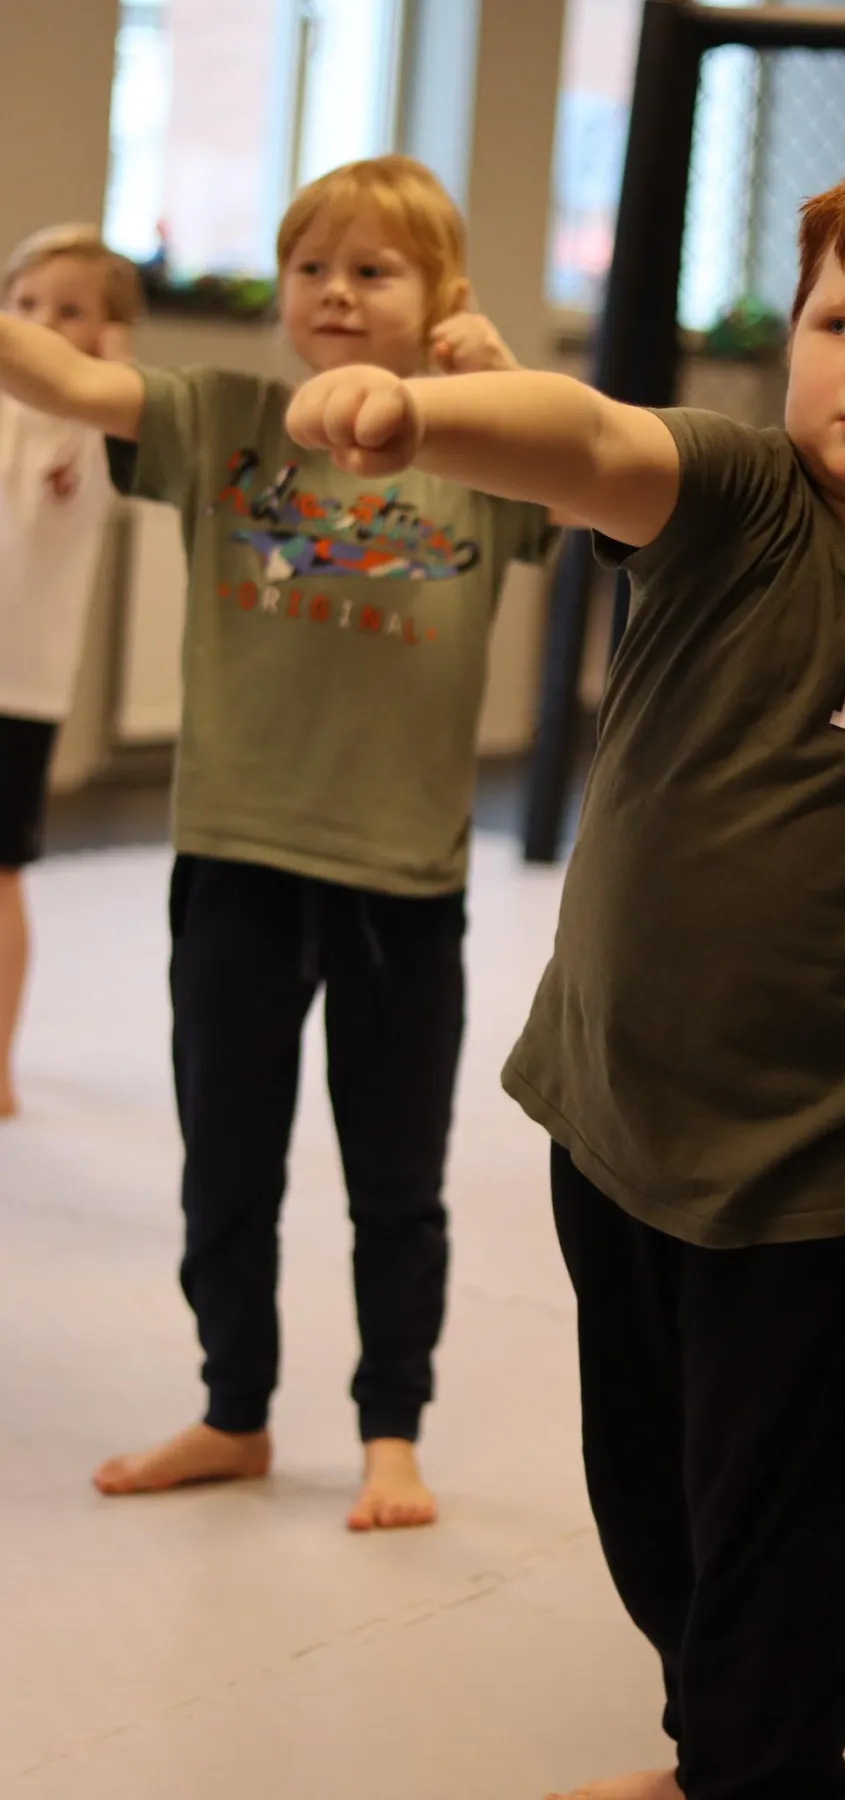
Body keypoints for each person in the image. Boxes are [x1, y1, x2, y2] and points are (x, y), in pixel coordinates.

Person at [288, 151, 845, 1800]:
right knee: (655, 1500)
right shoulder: (736, 505)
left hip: (818, 1184)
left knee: (777, 1553)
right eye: (837, 317)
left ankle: (763, 1767)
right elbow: (590, 440)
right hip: (613, 1127)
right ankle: (716, 1747)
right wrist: (426, 426)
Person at [0, 155, 552, 1531]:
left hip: (401, 884)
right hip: (237, 858)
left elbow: (607, 476)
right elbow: (65, 384)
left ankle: (390, 1430)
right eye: (313, 267)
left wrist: (492, 380)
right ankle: (233, 1409)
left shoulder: (481, 448)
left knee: (395, 1179)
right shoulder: (220, 420)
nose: (338, 293)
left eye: (375, 270)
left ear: (440, 299)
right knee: (228, 1164)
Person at [0, 224, 141, 1117]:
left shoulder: (93, 433)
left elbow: (86, 469)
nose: (44, 322)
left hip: (16, 685)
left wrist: (109, 375)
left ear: (108, 334)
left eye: (72, 311)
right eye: (26, 304)